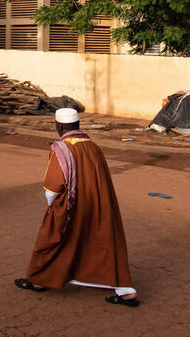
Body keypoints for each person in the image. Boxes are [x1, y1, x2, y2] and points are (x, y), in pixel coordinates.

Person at [14, 108, 138, 307]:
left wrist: (52, 207)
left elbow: (53, 188)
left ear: (59, 126)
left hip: (72, 205)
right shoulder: (94, 147)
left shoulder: (61, 148)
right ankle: (125, 290)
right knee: (105, 241)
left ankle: (39, 279)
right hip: (99, 204)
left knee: (52, 238)